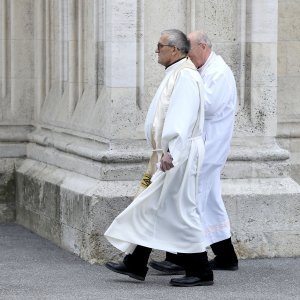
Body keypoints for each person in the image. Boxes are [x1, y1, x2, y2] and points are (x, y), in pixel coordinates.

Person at [104, 29, 213, 287]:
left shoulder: (185, 76)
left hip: (179, 154)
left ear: (174, 49)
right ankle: (136, 262)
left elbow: (181, 117)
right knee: (152, 205)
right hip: (173, 153)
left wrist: (171, 151)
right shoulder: (177, 72)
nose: (156, 50)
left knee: (182, 210)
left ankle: (201, 271)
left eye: (160, 46)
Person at [149, 31, 239, 275]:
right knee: (209, 202)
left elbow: (206, 106)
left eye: (190, 48)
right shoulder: (202, 70)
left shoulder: (218, 72)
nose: (187, 53)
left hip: (209, 147)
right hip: (202, 147)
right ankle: (226, 256)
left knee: (189, 201)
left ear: (203, 46)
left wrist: (180, 93)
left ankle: (181, 260)